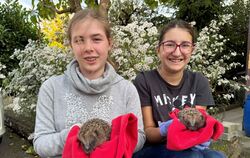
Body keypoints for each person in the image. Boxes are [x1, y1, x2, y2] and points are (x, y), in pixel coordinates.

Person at [33, 8, 145, 158]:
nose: (88, 48)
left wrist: (104, 138)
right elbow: (40, 144)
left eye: (96, 39)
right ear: (71, 45)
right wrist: (74, 135)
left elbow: (138, 138)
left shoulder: (126, 89)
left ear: (109, 43)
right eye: (79, 40)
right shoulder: (51, 88)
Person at [133, 20, 226, 158]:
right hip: (154, 148)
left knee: (216, 157)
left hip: (189, 145)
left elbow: (197, 125)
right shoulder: (144, 81)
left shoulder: (199, 81)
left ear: (192, 50)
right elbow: (149, 133)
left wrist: (202, 133)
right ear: (158, 49)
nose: (177, 52)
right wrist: (167, 129)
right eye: (170, 45)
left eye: (185, 45)